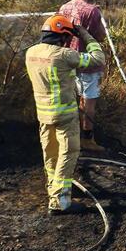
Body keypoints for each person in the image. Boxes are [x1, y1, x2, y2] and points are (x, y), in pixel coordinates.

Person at [25, 15, 106, 214]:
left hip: (43, 115)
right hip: (65, 115)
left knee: (50, 154)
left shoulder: (31, 53)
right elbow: (98, 59)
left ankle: (54, 190)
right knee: (68, 153)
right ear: (61, 36)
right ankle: (60, 202)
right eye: (67, 37)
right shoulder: (64, 55)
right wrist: (85, 35)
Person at [58, 0, 107, 152]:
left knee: (70, 100)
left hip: (67, 60)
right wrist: (99, 18)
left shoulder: (63, 8)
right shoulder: (93, 11)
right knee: (88, 102)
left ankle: (70, 137)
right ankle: (87, 139)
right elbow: (101, 37)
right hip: (88, 63)